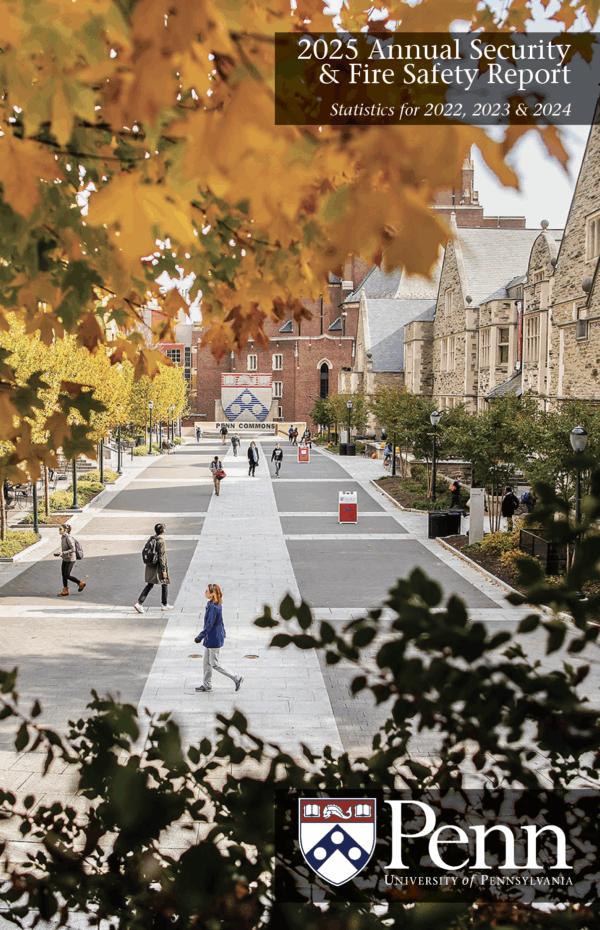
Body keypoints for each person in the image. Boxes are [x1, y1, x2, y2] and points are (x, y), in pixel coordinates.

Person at [194, 583, 243, 693]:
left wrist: (199, 637)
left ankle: (236, 678)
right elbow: (220, 621)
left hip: (213, 639)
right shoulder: (214, 604)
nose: (205, 592)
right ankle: (207, 685)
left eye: (207, 591)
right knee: (206, 662)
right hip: (211, 637)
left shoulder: (213, 608)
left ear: (212, 594)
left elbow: (209, 625)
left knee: (214, 664)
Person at [134, 523, 173, 612]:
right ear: (163, 531)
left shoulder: (152, 538)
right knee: (164, 583)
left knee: (150, 584)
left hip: (150, 565)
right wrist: (164, 570)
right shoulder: (161, 541)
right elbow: (162, 557)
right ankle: (164, 604)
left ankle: (139, 603)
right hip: (158, 567)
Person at [54, 523, 86, 597]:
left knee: (67, 575)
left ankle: (80, 583)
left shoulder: (68, 538)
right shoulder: (62, 537)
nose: (59, 530)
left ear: (65, 530)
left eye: (60, 529)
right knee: (63, 575)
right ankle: (65, 590)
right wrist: (61, 553)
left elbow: (73, 549)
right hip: (65, 558)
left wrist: (63, 552)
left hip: (71, 559)